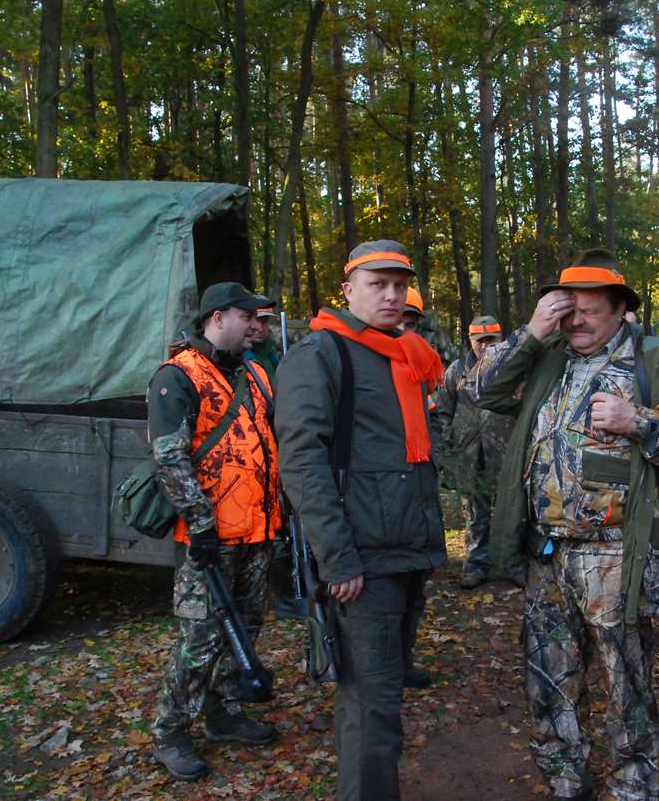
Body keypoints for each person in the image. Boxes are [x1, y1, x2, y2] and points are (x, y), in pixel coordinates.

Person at [475, 248, 659, 801]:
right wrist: (532, 332)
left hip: (617, 555)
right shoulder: (546, 357)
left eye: (589, 311)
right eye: (568, 311)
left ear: (619, 310)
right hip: (547, 554)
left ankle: (635, 786)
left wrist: (639, 422)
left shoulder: (656, 360)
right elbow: (483, 391)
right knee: (549, 682)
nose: (576, 323)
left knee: (625, 685)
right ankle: (566, 783)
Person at [273, 240, 446, 801]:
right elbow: (302, 462)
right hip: (362, 560)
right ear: (349, 290)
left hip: (404, 550)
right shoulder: (322, 354)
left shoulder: (405, 353)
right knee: (372, 708)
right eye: (378, 285)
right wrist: (338, 557)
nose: (391, 295)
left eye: (400, 285)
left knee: (383, 696)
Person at [147, 282, 281, 781]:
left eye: (262, 320)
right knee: (200, 640)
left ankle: (224, 715)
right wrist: (199, 522)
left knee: (245, 630)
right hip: (209, 539)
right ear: (219, 317)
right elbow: (169, 456)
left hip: (258, 531)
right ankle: (169, 732)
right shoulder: (178, 376)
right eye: (251, 318)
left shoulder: (256, 374)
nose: (259, 327)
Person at [432, 315, 517, 590]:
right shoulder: (456, 371)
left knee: (511, 511)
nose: (484, 346)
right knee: (475, 515)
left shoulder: (514, 368)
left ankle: (513, 564)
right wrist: (448, 448)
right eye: (479, 340)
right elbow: (443, 410)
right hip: (468, 455)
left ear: (500, 339)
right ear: (470, 340)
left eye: (491, 340)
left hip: (506, 454)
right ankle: (476, 565)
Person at [245, 298, 282, 382]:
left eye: (264, 321)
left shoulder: (271, 353)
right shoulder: (242, 359)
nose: (260, 328)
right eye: (257, 320)